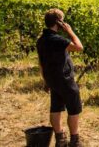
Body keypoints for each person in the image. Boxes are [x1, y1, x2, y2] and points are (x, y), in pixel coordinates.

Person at [36, 8, 84, 147]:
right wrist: (70, 31)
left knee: (56, 108)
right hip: (65, 79)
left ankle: (60, 139)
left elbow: (41, 63)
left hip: (52, 79)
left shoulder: (41, 40)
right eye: (62, 20)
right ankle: (75, 140)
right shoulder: (57, 39)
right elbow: (79, 47)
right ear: (59, 22)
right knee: (74, 109)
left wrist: (46, 81)